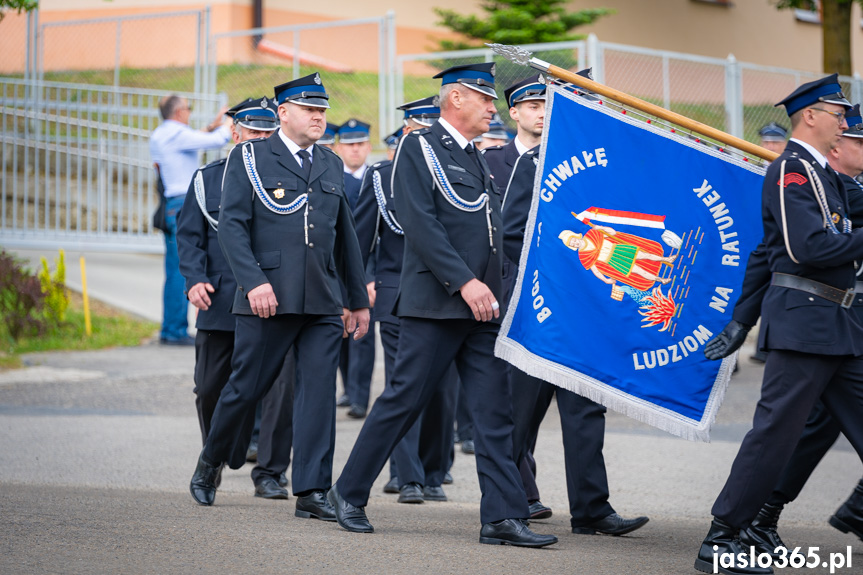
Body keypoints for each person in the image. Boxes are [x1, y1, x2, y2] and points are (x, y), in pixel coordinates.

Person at [327, 62, 557, 548]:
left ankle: (502, 516)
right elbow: (420, 224)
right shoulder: (419, 146)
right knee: (403, 400)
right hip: (436, 304)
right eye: (485, 99)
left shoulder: (474, 154)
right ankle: (348, 493)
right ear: (456, 99)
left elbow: (489, 231)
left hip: (481, 309)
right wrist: (464, 282)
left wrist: (490, 289)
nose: (494, 108)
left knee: (494, 414)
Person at [694, 74, 863, 575]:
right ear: (810, 116)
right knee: (774, 436)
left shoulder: (824, 176)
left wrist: (741, 319)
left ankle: (750, 526)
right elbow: (803, 249)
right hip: (805, 324)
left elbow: (765, 254)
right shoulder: (791, 171)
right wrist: (744, 320)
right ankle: (723, 538)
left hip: (838, 327)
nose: (844, 124)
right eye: (838, 115)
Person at [189, 73, 370, 523]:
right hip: (268, 298)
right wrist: (253, 283)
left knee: (317, 395)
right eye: (310, 109)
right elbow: (231, 225)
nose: (319, 117)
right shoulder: (249, 157)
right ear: (283, 113)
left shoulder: (328, 164)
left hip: (322, 300)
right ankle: (211, 461)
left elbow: (343, 235)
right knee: (244, 387)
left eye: (322, 109)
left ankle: (311, 489)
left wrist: (356, 298)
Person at [500, 75, 649, 536]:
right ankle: (507, 507)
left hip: (581, 312)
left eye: (550, 105)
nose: (544, 112)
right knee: (518, 417)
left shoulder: (591, 169)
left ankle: (591, 510)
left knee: (585, 412)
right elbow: (512, 236)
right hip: (537, 310)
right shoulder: (531, 166)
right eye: (534, 105)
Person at [177, 96, 294, 500]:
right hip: (222, 298)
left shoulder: (290, 175)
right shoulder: (208, 179)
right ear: (235, 132)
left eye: (267, 131)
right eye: (253, 131)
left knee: (279, 388)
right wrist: (194, 279)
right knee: (209, 387)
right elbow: (191, 236)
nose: (260, 138)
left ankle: (271, 472)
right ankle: (217, 453)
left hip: (275, 299)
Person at [353, 95, 457, 505]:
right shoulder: (382, 176)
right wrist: (361, 284)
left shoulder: (456, 171)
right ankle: (408, 476)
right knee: (404, 385)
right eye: (419, 127)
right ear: (407, 131)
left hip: (449, 293)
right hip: (397, 293)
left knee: (444, 390)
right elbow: (361, 239)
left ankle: (434, 471)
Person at [149, 95, 230, 345]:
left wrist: (212, 125)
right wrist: (229, 123)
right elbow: (217, 140)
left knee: (173, 268)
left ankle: (170, 327)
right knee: (181, 270)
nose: (190, 113)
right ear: (178, 112)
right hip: (183, 204)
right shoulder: (175, 134)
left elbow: (197, 138)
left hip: (172, 204)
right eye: (188, 108)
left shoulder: (162, 134)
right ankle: (174, 331)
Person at [335, 119, 376, 419]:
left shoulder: (375, 179)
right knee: (339, 333)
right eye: (349, 145)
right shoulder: (332, 176)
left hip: (368, 268)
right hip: (336, 268)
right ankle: (348, 388)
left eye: (360, 144)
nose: (355, 150)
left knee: (363, 336)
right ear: (339, 147)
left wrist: (370, 277)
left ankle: (361, 396)